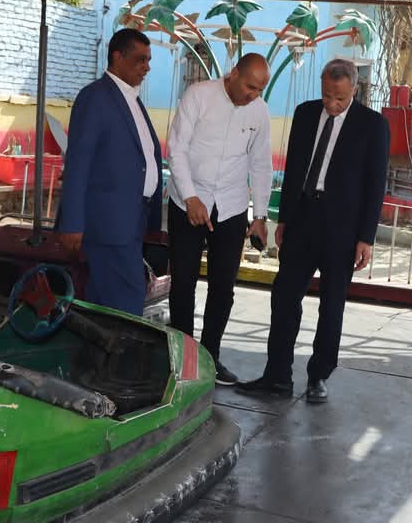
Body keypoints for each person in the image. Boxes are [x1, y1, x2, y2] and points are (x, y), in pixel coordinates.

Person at [238, 59, 390, 404]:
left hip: (343, 230)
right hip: (303, 220)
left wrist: (366, 238)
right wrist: (284, 219)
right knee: (284, 296)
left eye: (339, 98)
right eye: (326, 96)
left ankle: (319, 375)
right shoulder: (305, 114)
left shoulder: (373, 125)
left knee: (331, 304)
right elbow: (294, 169)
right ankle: (277, 375)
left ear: (354, 89)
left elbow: (375, 185)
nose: (331, 104)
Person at [167, 53, 273, 385]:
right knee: (183, 282)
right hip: (187, 201)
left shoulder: (259, 111)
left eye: (259, 90)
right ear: (234, 73)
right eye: (250, 87)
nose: (253, 95)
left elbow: (260, 163)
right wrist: (190, 197)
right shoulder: (198, 95)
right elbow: (177, 149)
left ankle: (210, 358)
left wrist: (260, 215)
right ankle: (183, 361)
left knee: (223, 287)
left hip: (231, 205)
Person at [57, 29, 162, 316]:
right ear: (117, 57)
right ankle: (120, 345)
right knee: (128, 296)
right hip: (108, 221)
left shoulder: (132, 99)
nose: (147, 67)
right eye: (140, 59)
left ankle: (99, 345)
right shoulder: (95, 98)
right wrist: (72, 222)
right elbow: (78, 162)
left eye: (149, 60)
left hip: (132, 219)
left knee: (106, 299)